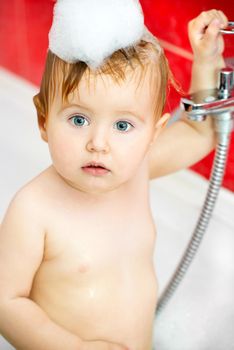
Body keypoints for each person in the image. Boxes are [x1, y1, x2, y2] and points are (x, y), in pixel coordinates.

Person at [0, 5, 228, 350]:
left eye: (123, 126)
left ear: (153, 134)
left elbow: (200, 135)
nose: (98, 144)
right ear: (44, 121)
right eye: (79, 120)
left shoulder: (135, 171)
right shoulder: (34, 209)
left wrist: (208, 59)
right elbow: (6, 303)